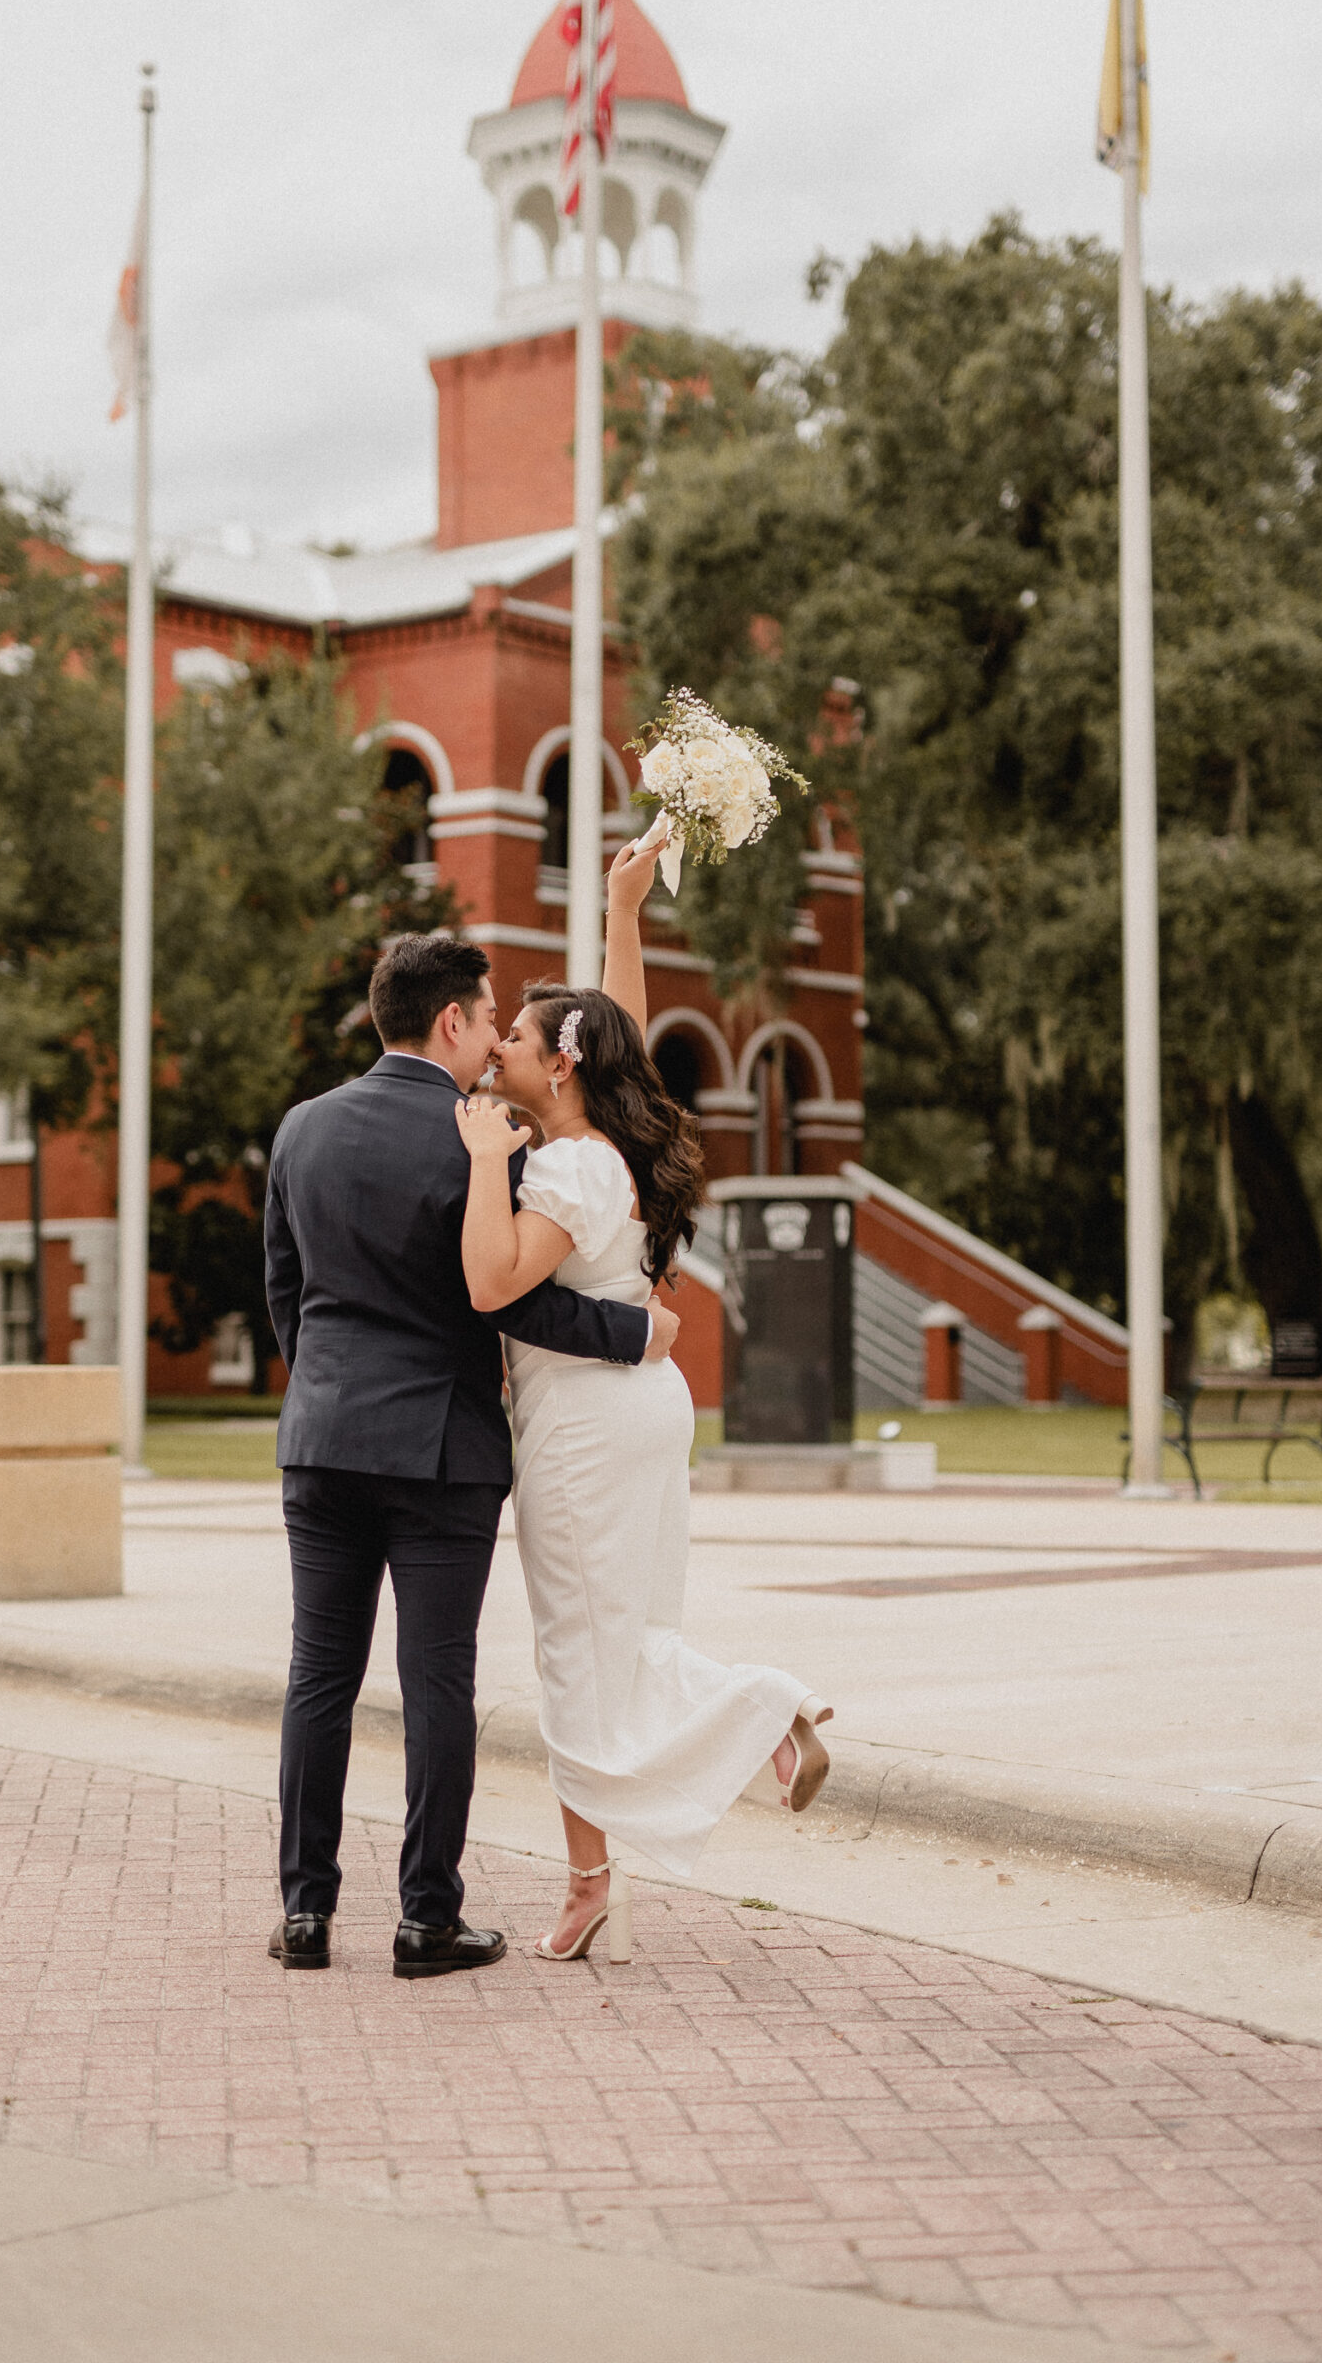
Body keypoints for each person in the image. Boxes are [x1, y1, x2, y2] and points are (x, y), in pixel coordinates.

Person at [263, 929, 681, 1978]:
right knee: (435, 1682)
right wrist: (635, 1331)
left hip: (320, 1440)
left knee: (319, 1673)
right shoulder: (486, 1139)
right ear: (449, 1019)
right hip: (440, 1447)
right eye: (490, 1016)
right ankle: (423, 1920)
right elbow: (513, 1291)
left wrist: (322, 1390)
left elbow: (284, 1288)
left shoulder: (302, 1129)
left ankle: (305, 1915)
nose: (496, 1037)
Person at [455, 841, 833, 1963]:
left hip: (583, 1428)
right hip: (638, 1407)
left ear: (558, 1069)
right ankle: (588, 1875)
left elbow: (489, 1286)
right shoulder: (611, 1138)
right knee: (608, 1643)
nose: (500, 1049)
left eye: (516, 1039)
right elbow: (615, 1018)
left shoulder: (567, 1166)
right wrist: (622, 908)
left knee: (581, 1656)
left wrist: (485, 1160)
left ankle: (765, 1710)